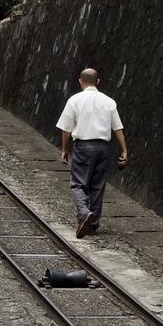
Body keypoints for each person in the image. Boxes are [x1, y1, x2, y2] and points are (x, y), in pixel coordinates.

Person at [56, 67, 128, 238]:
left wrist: (64, 150)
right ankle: (93, 224)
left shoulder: (74, 100)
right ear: (98, 82)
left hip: (83, 146)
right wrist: (124, 150)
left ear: (80, 81)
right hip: (103, 147)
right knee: (98, 185)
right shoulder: (109, 102)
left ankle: (83, 213)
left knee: (78, 183)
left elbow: (66, 129)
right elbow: (118, 128)